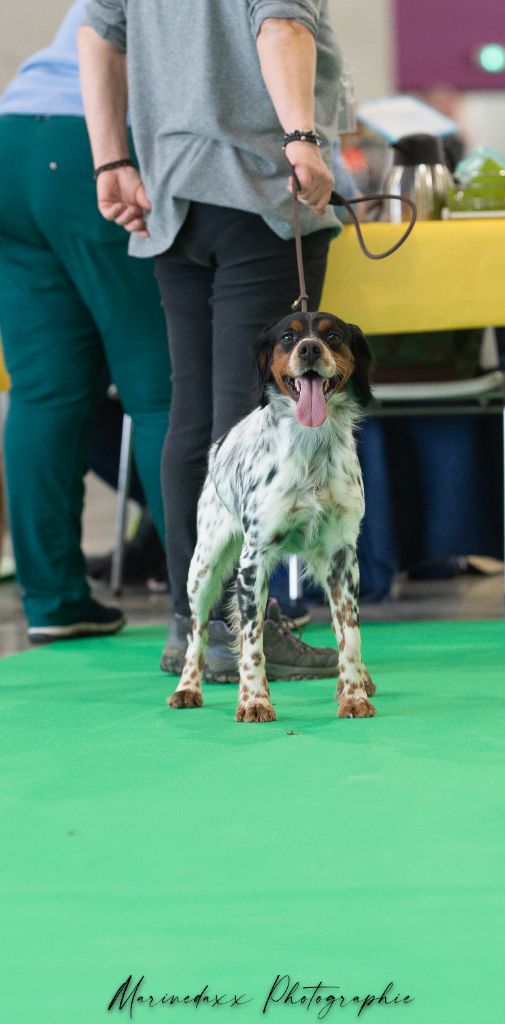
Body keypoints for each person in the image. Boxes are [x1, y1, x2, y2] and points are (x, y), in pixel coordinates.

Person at [78, 0, 345, 680]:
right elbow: (281, 24)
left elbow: (96, 35)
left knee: (194, 417)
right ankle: (237, 625)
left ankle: (195, 619)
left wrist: (110, 159)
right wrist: (303, 139)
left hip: (175, 200)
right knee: (243, 423)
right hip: (260, 189)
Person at [0, 1, 172, 643]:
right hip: (96, 147)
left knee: (44, 391)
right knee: (161, 391)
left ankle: (53, 600)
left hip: (14, 136)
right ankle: (209, 602)